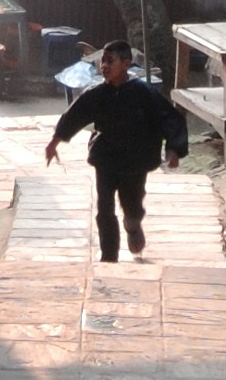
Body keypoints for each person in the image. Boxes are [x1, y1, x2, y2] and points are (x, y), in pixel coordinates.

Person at [45, 36, 186, 262]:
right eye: (103, 61)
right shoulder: (96, 94)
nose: (104, 66)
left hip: (136, 159)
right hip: (106, 158)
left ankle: (133, 226)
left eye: (110, 61)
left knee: (132, 206)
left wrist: (174, 149)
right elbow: (74, 116)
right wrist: (55, 142)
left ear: (126, 64)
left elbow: (169, 118)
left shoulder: (143, 93)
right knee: (104, 209)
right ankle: (108, 257)